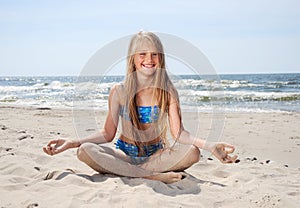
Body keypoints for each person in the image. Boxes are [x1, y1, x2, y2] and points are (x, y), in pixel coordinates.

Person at [43, 31, 237, 184]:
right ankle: (149, 176)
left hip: (156, 157)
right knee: (84, 150)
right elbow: (107, 134)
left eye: (154, 54)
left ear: (161, 58)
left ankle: (141, 173)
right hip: (124, 156)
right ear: (133, 59)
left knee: (193, 152)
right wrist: (72, 141)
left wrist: (209, 145)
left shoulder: (168, 90)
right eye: (142, 54)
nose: (149, 59)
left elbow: (180, 134)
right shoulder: (118, 91)